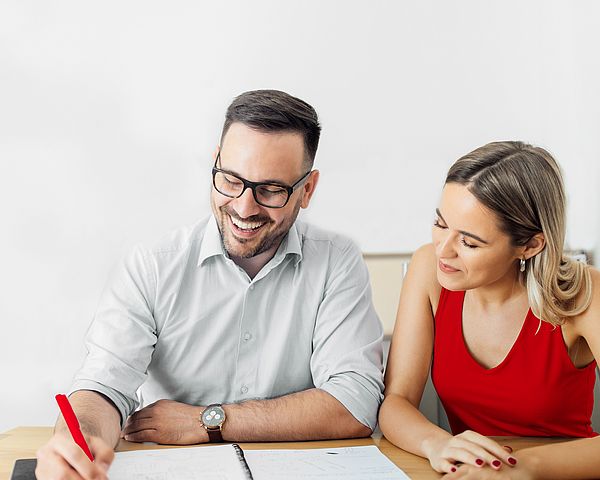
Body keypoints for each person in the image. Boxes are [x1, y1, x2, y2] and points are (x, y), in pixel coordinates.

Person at [35, 90, 384, 479]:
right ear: (216, 161)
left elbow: (355, 403)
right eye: (231, 180)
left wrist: (207, 421)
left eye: (270, 190)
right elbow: (103, 387)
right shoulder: (152, 266)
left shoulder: (336, 261)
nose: (244, 207)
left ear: (307, 190)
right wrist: (78, 441)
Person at [379, 141, 600, 479]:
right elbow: (396, 402)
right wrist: (436, 444)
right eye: (440, 224)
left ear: (529, 245)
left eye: (469, 242)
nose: (444, 250)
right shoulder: (429, 269)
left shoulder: (584, 293)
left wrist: (521, 469)